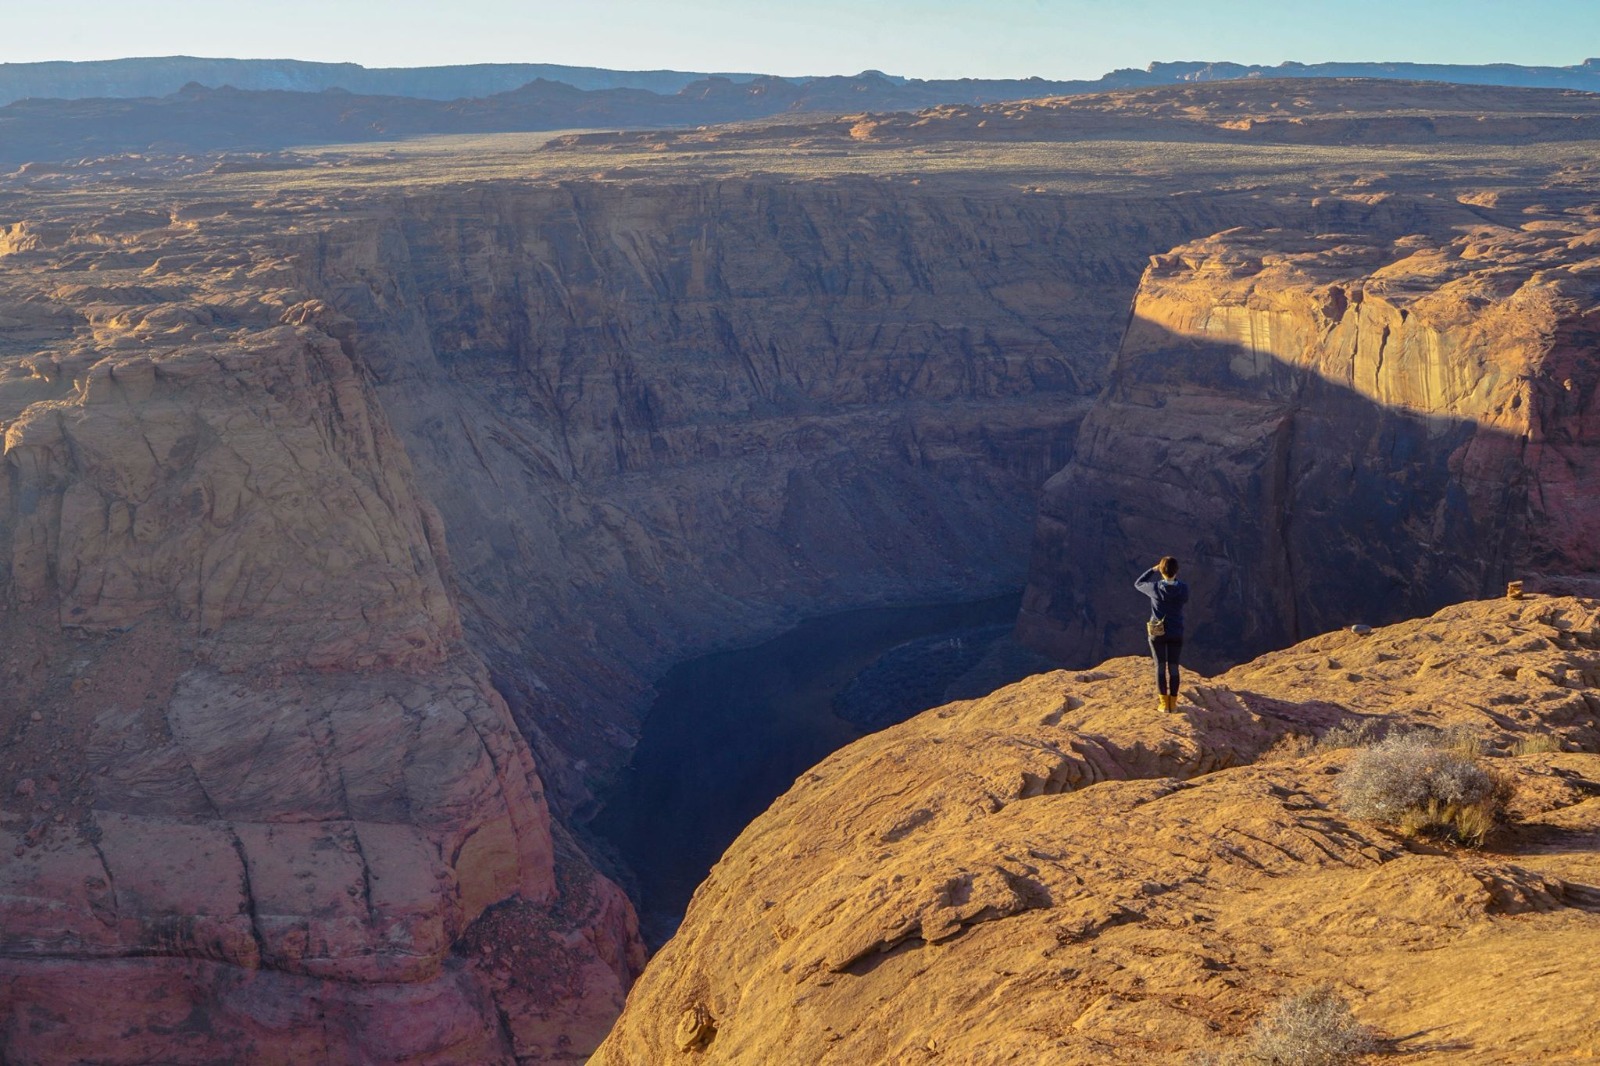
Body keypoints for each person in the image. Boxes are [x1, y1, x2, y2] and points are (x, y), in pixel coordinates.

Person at [1135, 557, 1189, 712]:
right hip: (1176, 630)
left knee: (1160, 665)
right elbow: (1184, 598)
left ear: (1161, 570)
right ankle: (1173, 703)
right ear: (1176, 571)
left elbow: (1138, 583)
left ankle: (1163, 704)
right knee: (1173, 666)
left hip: (1157, 630)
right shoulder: (1183, 589)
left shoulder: (1154, 588)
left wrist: (1153, 569)